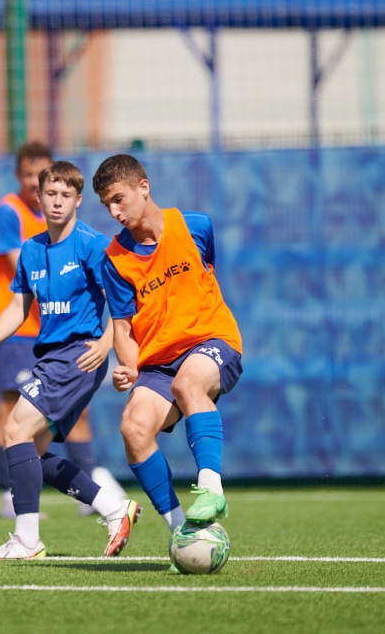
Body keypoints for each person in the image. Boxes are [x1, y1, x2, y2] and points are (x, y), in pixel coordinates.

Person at [0, 160, 142, 560]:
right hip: (50, 356)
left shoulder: (91, 244)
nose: (58, 201)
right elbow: (19, 306)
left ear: (79, 200)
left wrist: (105, 343)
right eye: (51, 193)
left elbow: (123, 302)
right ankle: (115, 509)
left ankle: (27, 540)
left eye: (67, 195)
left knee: (14, 430)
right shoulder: (31, 249)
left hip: (78, 355)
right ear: (39, 196)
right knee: (31, 449)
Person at [91, 153, 243, 552]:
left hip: (211, 341)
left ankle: (211, 488)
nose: (113, 210)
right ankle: (181, 531)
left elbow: (206, 274)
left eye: (119, 198)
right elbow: (123, 327)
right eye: (107, 204)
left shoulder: (195, 226)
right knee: (134, 428)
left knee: (188, 382)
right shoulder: (114, 259)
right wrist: (128, 366)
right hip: (157, 362)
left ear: (144, 187)